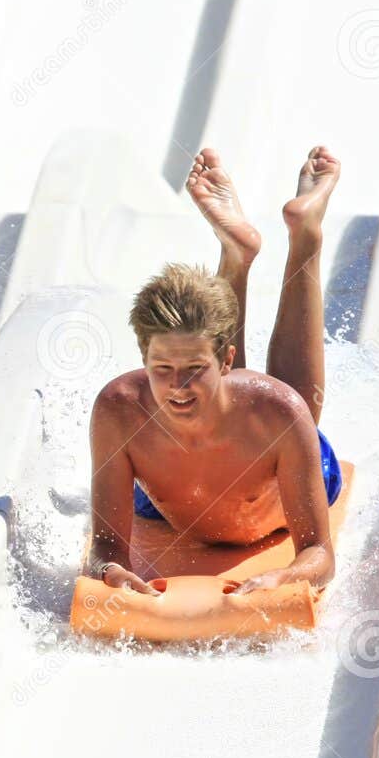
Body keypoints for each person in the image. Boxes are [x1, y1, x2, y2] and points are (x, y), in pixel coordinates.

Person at [87, 145, 343, 595]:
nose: (178, 385)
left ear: (227, 361)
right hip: (170, 507)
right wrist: (112, 572)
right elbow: (106, 548)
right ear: (142, 355)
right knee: (248, 402)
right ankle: (237, 253)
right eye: (162, 366)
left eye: (195, 368)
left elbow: (319, 556)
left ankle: (305, 237)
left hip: (279, 487)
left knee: (285, 404)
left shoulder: (277, 412)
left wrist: (285, 575)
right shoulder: (118, 411)